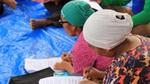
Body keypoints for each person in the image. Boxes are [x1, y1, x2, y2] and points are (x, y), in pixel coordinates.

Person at [82, 9, 150, 84]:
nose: (92, 50)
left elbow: (125, 76)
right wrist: (102, 74)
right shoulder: (135, 39)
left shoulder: (128, 68)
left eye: (92, 46)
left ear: (107, 47)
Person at [54, 0, 113, 78]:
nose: (62, 25)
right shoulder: (101, 26)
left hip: (114, 73)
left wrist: (65, 66)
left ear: (73, 26)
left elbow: (79, 73)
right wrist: (73, 58)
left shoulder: (85, 42)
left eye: (62, 22)